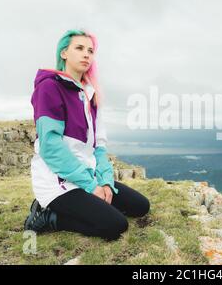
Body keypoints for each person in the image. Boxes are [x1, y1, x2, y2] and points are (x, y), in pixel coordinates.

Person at [24, 29, 150, 241]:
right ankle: (48, 216)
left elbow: (99, 147)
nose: (86, 55)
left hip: (87, 176)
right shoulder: (49, 88)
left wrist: (106, 182)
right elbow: (50, 148)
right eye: (79, 48)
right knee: (115, 225)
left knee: (140, 206)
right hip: (58, 182)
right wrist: (92, 187)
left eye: (90, 51)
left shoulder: (91, 94)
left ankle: (87, 204)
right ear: (64, 53)